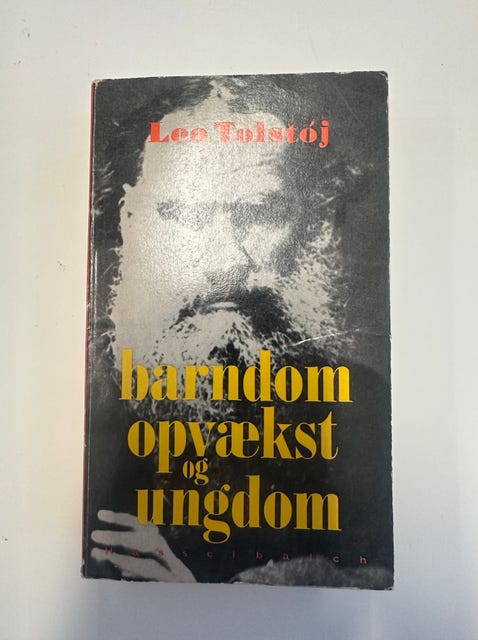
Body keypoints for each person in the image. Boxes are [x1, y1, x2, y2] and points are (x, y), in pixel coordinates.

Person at [85, 74, 393, 587]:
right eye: (185, 213)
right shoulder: (84, 404)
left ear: (313, 223)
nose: (226, 262)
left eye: (260, 212)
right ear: (127, 219)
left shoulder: (361, 407)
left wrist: (194, 599)